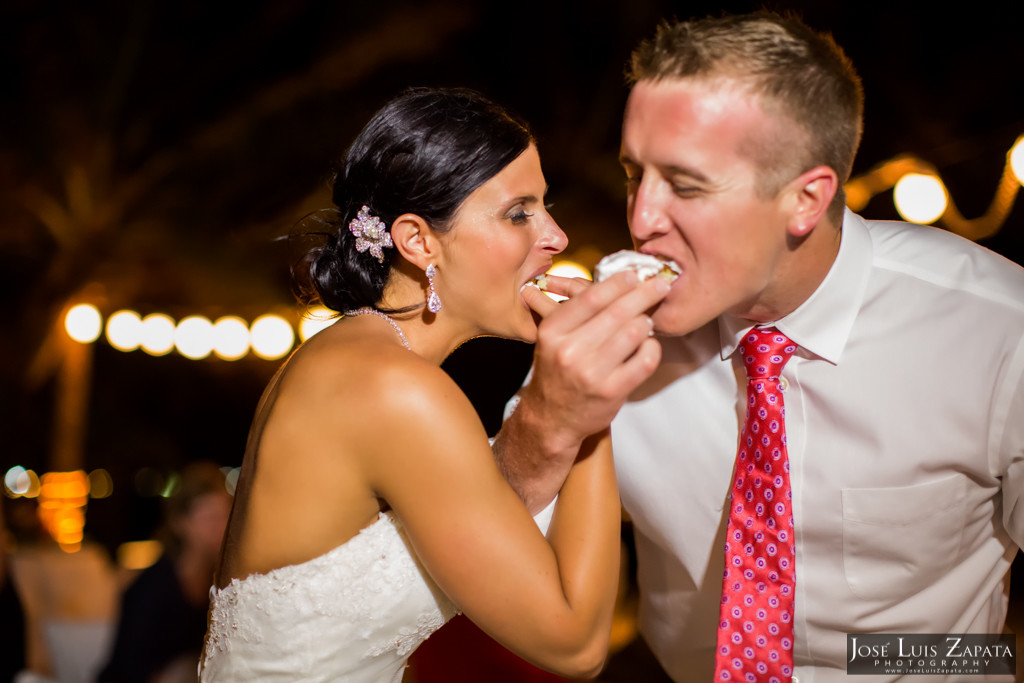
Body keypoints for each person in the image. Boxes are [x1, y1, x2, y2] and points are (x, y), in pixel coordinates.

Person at [496, 11, 1024, 683]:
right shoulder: (607, 328)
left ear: (805, 199)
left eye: (685, 185)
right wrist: (546, 417)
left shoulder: (998, 331)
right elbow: (481, 554)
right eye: (636, 175)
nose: (641, 219)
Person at [200, 87, 670, 682]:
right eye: (519, 212)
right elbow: (575, 645)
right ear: (420, 242)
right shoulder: (391, 388)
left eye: (544, 207)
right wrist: (591, 403)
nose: (556, 236)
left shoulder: (347, 358)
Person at [99, 461, 231, 683]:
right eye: (210, 518)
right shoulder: (152, 586)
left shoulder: (222, 581)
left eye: (225, 516)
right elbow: (130, 668)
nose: (219, 528)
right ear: (181, 523)